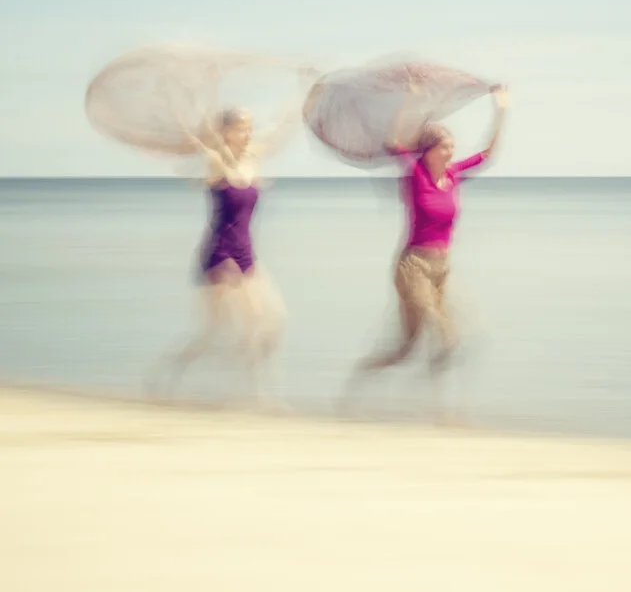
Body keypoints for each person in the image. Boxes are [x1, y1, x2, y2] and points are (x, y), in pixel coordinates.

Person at [340, 84, 509, 420]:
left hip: (441, 268)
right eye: (445, 147)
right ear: (428, 150)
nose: (451, 152)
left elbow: (488, 154)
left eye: (452, 147)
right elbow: (393, 142)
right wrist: (411, 100)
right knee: (444, 334)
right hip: (412, 267)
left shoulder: (454, 176)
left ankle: (368, 380)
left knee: (407, 349)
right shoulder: (415, 174)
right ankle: (434, 409)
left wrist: (501, 109)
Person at [147, 95, 305, 406]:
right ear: (227, 131)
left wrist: (300, 98)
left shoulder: (254, 158)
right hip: (220, 254)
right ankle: (253, 395)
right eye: (242, 128)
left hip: (247, 254)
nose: (249, 133)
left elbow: (279, 133)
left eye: (250, 128)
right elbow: (198, 138)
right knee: (252, 321)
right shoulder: (216, 163)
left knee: (269, 323)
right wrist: (182, 102)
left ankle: (186, 379)